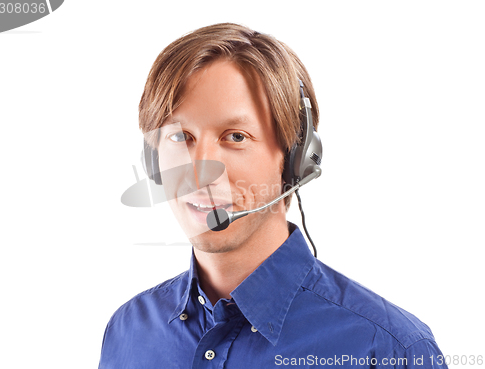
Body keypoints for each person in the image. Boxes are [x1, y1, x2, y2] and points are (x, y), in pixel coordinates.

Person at [98, 23, 447, 368]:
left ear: (295, 160)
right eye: (180, 136)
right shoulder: (128, 331)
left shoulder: (388, 350)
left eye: (236, 137)